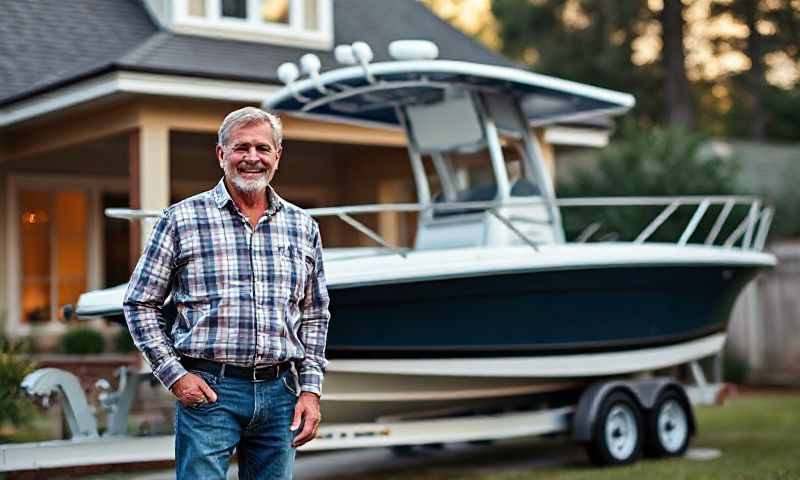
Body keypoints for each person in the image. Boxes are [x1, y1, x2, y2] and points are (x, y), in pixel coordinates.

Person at [123, 106, 330, 479]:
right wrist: (174, 375)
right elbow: (140, 302)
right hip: (209, 393)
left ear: (277, 156)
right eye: (241, 147)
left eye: (263, 149)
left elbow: (315, 313)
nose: (252, 158)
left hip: (281, 392)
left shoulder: (303, 226)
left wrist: (311, 390)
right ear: (221, 155)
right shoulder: (181, 220)